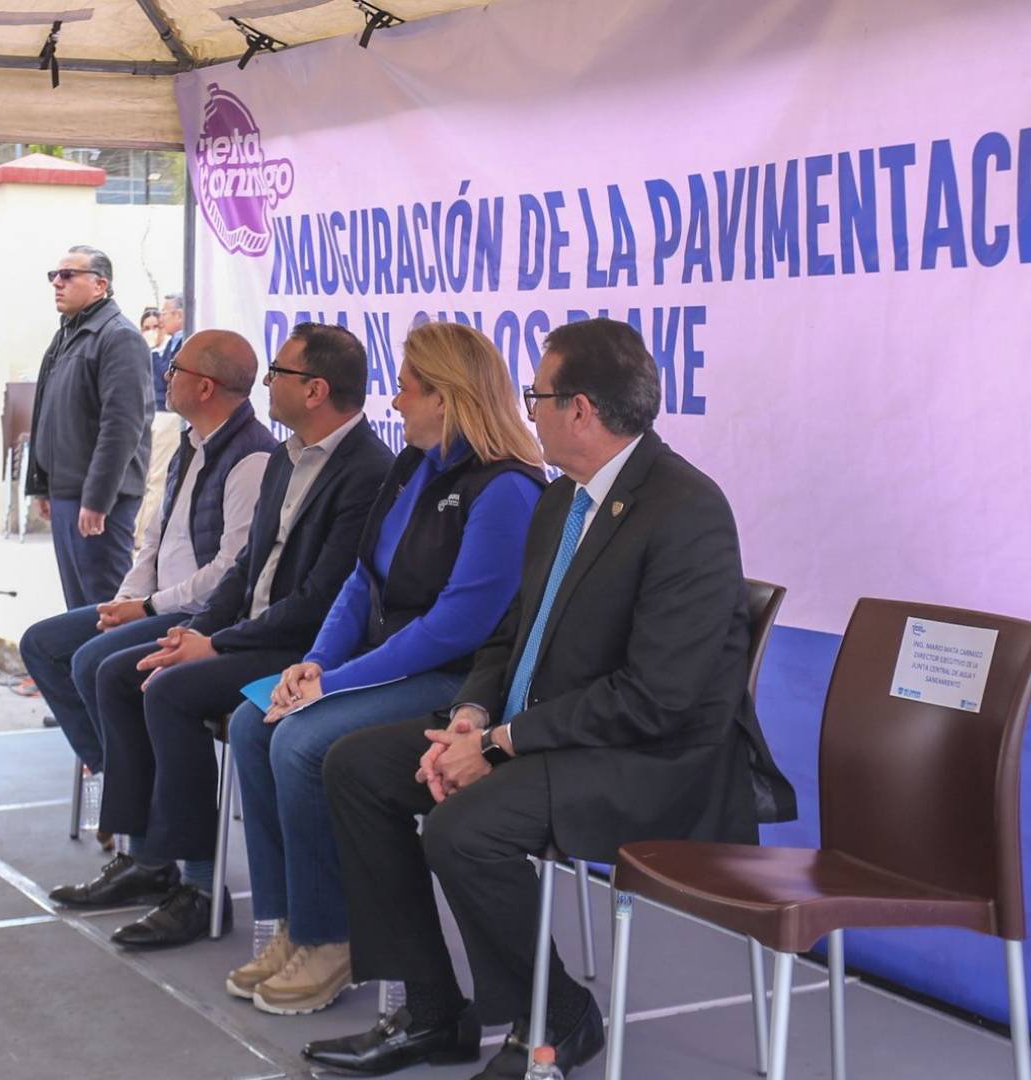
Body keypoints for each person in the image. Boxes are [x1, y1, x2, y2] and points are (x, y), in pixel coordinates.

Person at [305, 318, 796, 1078]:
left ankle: (556, 1019)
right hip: (548, 732)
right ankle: (432, 1012)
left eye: (537, 396)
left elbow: (656, 698)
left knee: (464, 828)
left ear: (581, 409)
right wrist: (471, 716)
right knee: (357, 768)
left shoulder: (686, 510)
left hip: (651, 760)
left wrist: (499, 744)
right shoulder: (561, 498)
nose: (527, 411)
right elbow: (510, 635)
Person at [226, 322, 547, 1016]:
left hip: (459, 684)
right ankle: (294, 922)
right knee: (252, 723)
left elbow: (456, 627)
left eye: (406, 389)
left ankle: (331, 936)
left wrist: (333, 686)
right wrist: (315, 662)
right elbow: (360, 581)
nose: (394, 402)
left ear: (446, 397)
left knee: (301, 741)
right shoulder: (412, 464)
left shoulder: (506, 488)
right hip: (388, 668)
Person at [47, 322, 395, 949]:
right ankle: (147, 857)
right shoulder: (289, 456)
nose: (267, 384)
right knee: (124, 670)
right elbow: (244, 569)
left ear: (315, 390)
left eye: (279, 374)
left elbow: (321, 600)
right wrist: (198, 629)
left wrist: (215, 645)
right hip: (247, 629)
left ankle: (200, 888)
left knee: (168, 689)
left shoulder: (367, 470)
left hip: (304, 647)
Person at [19, 330, 273, 803]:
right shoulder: (190, 443)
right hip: (157, 604)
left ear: (205, 387)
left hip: (199, 615)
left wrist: (149, 606)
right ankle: (119, 776)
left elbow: (229, 571)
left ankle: (132, 794)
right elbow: (154, 539)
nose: (166, 377)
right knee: (42, 644)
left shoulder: (252, 457)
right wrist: (125, 601)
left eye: (176, 370)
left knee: (94, 663)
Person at [25, 246, 153, 611]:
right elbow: (45, 412)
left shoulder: (119, 337)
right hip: (67, 492)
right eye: (54, 275)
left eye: (68, 275)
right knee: (78, 609)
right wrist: (42, 484)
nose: (57, 283)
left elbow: (121, 426)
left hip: (100, 499)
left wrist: (97, 499)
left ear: (100, 285)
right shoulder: (68, 334)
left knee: (104, 607)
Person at [133, 292, 188, 546]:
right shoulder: (168, 344)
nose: (161, 319)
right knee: (150, 477)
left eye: (164, 314)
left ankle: (144, 535)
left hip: (168, 416)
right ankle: (140, 532)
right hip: (157, 415)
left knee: (157, 478)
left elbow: (167, 377)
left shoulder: (182, 342)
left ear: (179, 314)